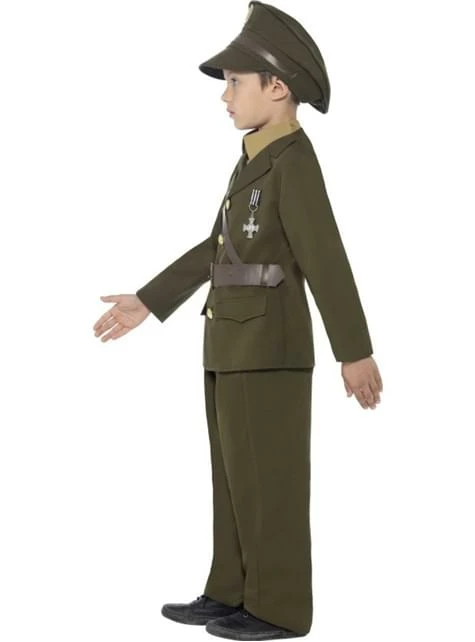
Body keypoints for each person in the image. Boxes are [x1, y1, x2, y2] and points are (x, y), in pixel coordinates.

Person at [92, 2, 383, 639]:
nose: (224, 97)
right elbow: (219, 246)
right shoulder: (254, 159)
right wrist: (150, 299)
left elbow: (324, 256)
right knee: (232, 480)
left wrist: (354, 350)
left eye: (233, 82)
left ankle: (278, 607)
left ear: (277, 87)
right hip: (230, 340)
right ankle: (230, 591)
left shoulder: (293, 161)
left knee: (269, 482)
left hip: (270, 346)